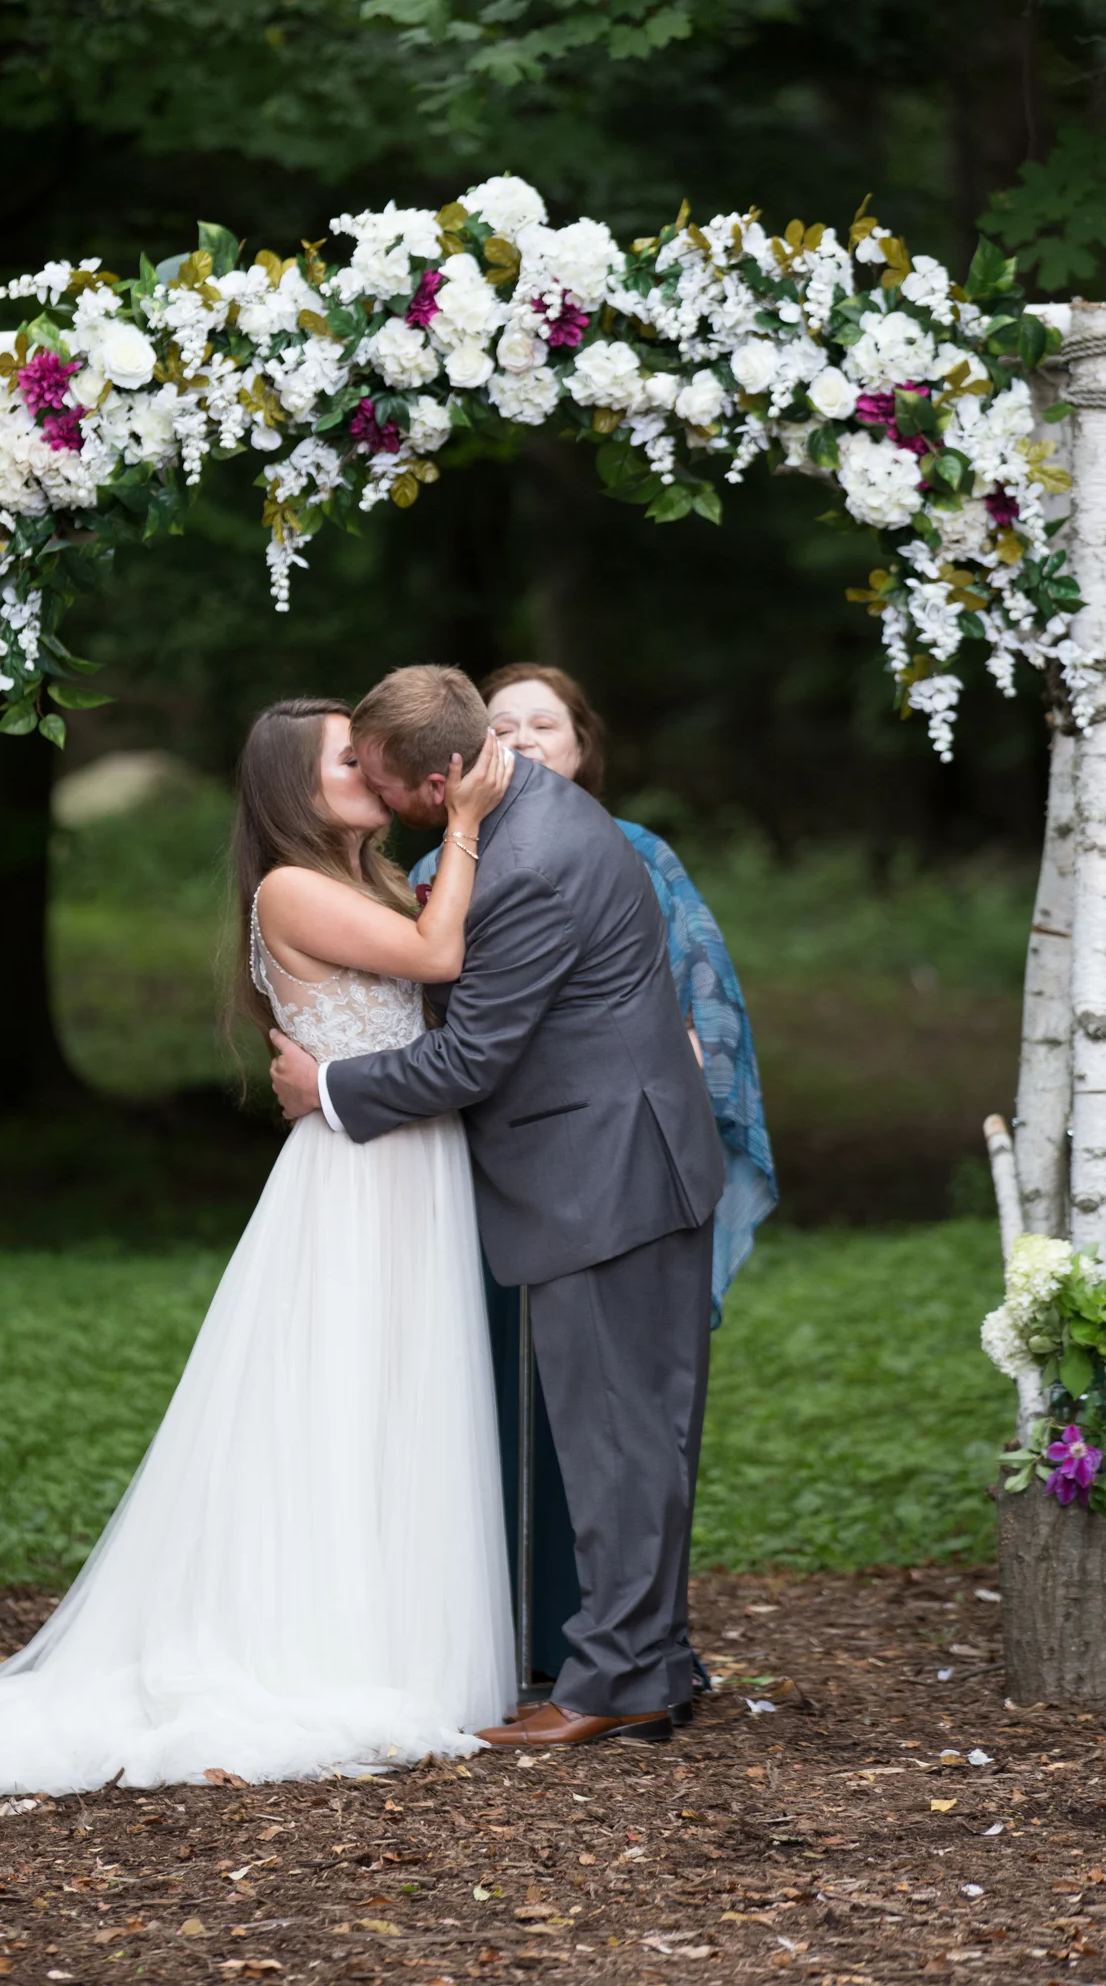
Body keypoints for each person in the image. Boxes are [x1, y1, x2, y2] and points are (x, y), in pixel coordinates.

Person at [0, 701, 516, 1804]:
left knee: (397, 1401)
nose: (372, 767)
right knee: (339, 1400)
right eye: (346, 756)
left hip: (407, 1165)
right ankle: (322, 1644)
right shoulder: (291, 886)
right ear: (292, 784)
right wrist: (465, 818)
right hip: (356, 1179)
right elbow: (440, 952)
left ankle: (396, 1632)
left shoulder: (372, 876)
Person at [272, 665, 725, 1749]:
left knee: (618, 1439)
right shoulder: (524, 813)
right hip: (626, 1161)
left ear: (439, 778)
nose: (377, 802)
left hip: (602, 1172)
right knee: (640, 1431)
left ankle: (613, 1684)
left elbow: (471, 1056)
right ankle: (647, 1666)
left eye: (386, 784)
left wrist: (326, 1088)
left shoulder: (524, 862)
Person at [409, 664, 776, 1693]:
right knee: (552, 1412)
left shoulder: (626, 852)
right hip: (500, 1171)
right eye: (502, 722)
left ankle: (621, 1655)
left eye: (544, 723)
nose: (522, 737)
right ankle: (558, 1644)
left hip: (603, 1168)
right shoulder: (439, 863)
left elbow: (699, 988)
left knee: (617, 1414)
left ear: (582, 745)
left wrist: (682, 1065)